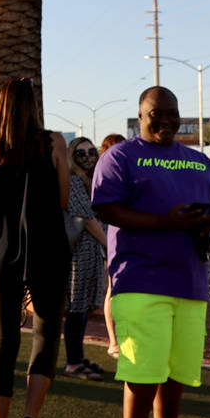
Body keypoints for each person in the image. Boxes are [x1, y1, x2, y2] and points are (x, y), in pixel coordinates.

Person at [91, 86, 210, 418]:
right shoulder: (120, 156)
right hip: (138, 277)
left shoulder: (197, 161)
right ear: (141, 115)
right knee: (142, 368)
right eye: (157, 113)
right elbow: (106, 207)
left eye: (172, 113)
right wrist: (166, 222)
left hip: (190, 279)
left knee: (177, 370)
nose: (166, 120)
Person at [0, 78, 70, 418]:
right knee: (46, 335)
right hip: (48, 250)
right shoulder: (54, 143)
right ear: (33, 107)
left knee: (4, 339)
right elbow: (63, 200)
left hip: (0, 254)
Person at [61, 136, 108, 379]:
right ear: (71, 156)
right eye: (81, 153)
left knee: (83, 307)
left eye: (92, 151)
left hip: (90, 251)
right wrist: (110, 246)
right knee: (76, 307)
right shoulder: (74, 182)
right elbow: (88, 220)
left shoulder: (91, 181)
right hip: (79, 253)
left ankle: (77, 357)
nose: (88, 156)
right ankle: (72, 362)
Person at [98, 133, 127, 357]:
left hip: (120, 237)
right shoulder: (106, 172)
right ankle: (114, 341)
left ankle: (118, 340)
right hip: (112, 238)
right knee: (112, 289)